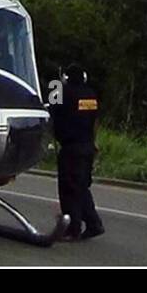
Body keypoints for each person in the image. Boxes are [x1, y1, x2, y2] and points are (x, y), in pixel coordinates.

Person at [49, 63, 105, 240]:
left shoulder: (60, 90)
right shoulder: (91, 94)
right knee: (81, 187)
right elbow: (95, 121)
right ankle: (93, 223)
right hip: (87, 146)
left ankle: (73, 229)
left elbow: (51, 110)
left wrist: (55, 83)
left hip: (70, 147)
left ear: (66, 78)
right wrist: (94, 142)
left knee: (69, 189)